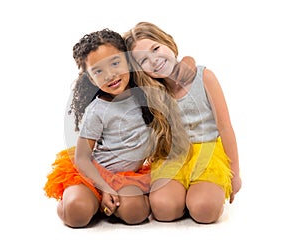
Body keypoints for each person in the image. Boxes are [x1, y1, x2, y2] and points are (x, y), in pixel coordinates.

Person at [43, 28, 189, 227]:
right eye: (98, 71)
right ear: (90, 78)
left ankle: (107, 205)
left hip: (126, 178)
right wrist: (104, 188)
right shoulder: (97, 110)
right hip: (93, 174)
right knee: (76, 212)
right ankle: (85, 200)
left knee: (136, 214)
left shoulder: (147, 93)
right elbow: (82, 158)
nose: (110, 75)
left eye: (115, 63)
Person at [123, 21, 242, 224]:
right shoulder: (153, 92)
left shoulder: (203, 77)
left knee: (204, 211)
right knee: (163, 210)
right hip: (172, 156)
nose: (154, 60)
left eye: (155, 49)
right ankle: (180, 197)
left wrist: (235, 174)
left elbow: (225, 127)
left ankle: (199, 196)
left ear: (167, 42)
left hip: (208, 154)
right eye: (143, 60)